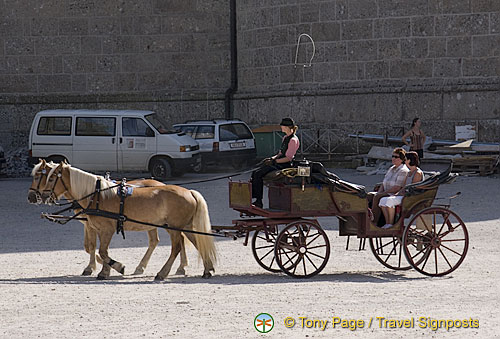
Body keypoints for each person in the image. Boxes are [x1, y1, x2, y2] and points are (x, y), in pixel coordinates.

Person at [251, 117, 300, 208]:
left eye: (282, 126)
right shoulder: (285, 137)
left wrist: (274, 161)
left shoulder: (293, 140)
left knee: (259, 174)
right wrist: (270, 158)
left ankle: (258, 201)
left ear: (287, 127)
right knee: (255, 172)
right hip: (278, 162)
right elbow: (280, 153)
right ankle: (254, 197)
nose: (281, 127)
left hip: (285, 165)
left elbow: (288, 158)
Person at [378, 151, 424, 229]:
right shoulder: (409, 172)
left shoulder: (417, 173)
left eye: (406, 159)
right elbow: (404, 186)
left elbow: (412, 188)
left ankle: (391, 223)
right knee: (382, 200)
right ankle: (388, 222)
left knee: (389, 201)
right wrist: (398, 193)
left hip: (411, 197)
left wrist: (402, 194)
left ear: (409, 160)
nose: (404, 161)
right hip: (405, 194)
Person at [373, 148, 409, 229]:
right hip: (387, 191)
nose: (393, 159)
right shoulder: (391, 168)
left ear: (401, 159)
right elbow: (384, 182)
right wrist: (379, 192)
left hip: (393, 193)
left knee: (377, 197)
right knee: (370, 195)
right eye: (393, 156)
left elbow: (397, 187)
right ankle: (371, 217)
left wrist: (382, 193)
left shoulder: (403, 171)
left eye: (396, 157)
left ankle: (374, 221)